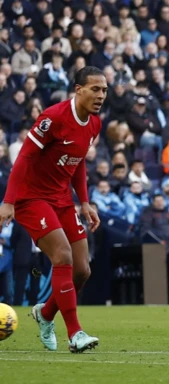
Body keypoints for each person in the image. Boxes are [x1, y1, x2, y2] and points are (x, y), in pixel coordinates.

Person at [0, 66, 106, 353]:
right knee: (62, 255)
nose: (100, 95)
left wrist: (84, 201)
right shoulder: (53, 118)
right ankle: (76, 334)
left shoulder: (94, 123)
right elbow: (23, 158)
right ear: (78, 89)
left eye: (104, 90)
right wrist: (8, 201)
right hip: (31, 198)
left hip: (61, 198)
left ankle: (45, 315)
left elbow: (78, 161)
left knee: (82, 271)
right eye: (95, 89)